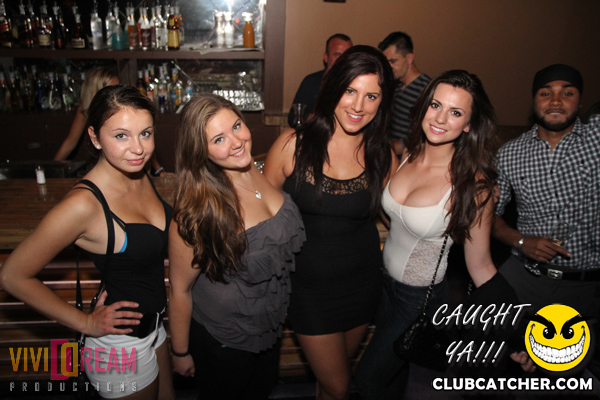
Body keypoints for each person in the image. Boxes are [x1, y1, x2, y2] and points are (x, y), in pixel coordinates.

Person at [0, 85, 175, 399]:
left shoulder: (138, 172)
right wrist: (85, 323)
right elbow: (12, 276)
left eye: (145, 134)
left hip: (155, 328)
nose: (138, 148)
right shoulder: (83, 205)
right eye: (121, 136)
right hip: (119, 347)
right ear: (94, 137)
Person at [354, 70, 500, 399]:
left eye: (456, 112)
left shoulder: (473, 186)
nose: (440, 118)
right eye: (435, 105)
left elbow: (481, 266)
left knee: (367, 380)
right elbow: (397, 218)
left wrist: (518, 329)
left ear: (469, 125)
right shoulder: (408, 152)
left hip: (417, 300)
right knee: (393, 377)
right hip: (384, 286)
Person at [265, 45, 397, 400]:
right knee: (340, 386)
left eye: (371, 96)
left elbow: (398, 215)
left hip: (362, 283)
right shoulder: (293, 145)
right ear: (334, 88)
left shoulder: (382, 154)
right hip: (307, 288)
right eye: (350, 91)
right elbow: (258, 211)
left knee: (330, 383)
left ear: (382, 102)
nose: (358, 106)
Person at [168, 94, 305, 399]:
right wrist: (180, 351)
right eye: (218, 139)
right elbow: (179, 289)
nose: (236, 142)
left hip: (267, 330)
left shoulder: (252, 168)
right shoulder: (197, 210)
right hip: (224, 341)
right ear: (200, 151)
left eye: (237, 126)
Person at [492, 64, 600, 377]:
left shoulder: (596, 141)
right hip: (523, 277)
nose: (555, 101)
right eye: (545, 93)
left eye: (567, 93)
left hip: (584, 285)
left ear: (580, 101)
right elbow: (490, 218)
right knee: (493, 358)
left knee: (558, 373)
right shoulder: (510, 154)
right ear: (534, 101)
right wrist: (521, 241)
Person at [54, 66, 167, 177]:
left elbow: (143, 144)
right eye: (121, 135)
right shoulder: (86, 109)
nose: (117, 92)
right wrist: (53, 169)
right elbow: (70, 142)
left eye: (118, 86)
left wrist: (159, 171)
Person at [378, 31, 431, 156]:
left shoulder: (426, 89)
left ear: (409, 58)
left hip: (407, 161)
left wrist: (382, 151)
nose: (389, 67)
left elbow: (420, 137)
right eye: (386, 62)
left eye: (393, 61)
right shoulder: (396, 86)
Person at [287, 33, 353, 127]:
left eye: (347, 55)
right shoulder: (311, 81)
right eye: (337, 55)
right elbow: (293, 117)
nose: (343, 59)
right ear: (326, 57)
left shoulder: (358, 83)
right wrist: (317, 118)